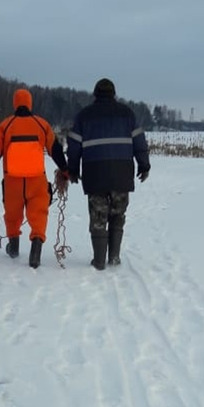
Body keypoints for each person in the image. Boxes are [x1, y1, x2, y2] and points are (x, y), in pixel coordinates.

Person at [66, 78, 150, 270]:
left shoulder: (84, 116)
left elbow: (73, 146)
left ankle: (99, 261)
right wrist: (144, 166)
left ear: (95, 93)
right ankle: (114, 256)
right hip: (122, 173)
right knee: (118, 215)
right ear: (114, 93)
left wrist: (72, 170)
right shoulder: (127, 114)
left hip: (95, 174)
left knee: (98, 217)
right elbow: (140, 142)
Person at [0, 88, 69, 268]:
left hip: (12, 181)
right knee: (39, 214)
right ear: (30, 103)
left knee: (12, 215)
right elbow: (56, 149)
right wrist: (65, 170)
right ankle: (35, 251)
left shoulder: (5, 126)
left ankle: (13, 248)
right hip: (37, 180)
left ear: (15, 103)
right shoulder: (41, 124)